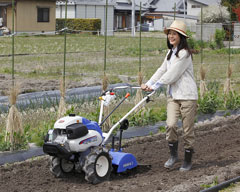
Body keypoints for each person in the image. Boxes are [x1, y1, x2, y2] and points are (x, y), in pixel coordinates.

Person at [141, 20, 198, 171]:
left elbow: (172, 75)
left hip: (187, 96)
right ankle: (173, 155)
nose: (171, 36)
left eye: (174, 34)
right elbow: (162, 70)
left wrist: (155, 86)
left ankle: (187, 159)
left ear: (181, 36)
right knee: (171, 125)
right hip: (173, 96)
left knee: (187, 130)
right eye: (169, 34)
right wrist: (149, 83)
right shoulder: (170, 53)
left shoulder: (185, 54)